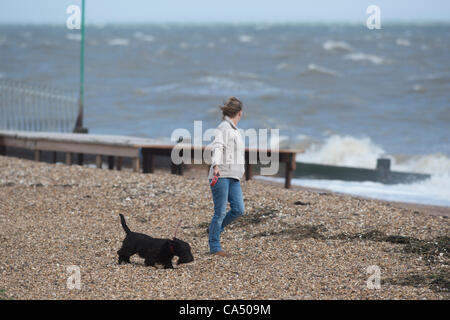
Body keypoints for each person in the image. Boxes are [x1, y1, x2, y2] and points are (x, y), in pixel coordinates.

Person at [208, 96, 245, 257]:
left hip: (234, 176)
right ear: (240, 113)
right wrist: (215, 165)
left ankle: (214, 229)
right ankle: (215, 246)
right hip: (221, 174)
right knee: (220, 212)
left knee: (238, 209)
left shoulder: (236, 131)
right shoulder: (223, 127)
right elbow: (217, 147)